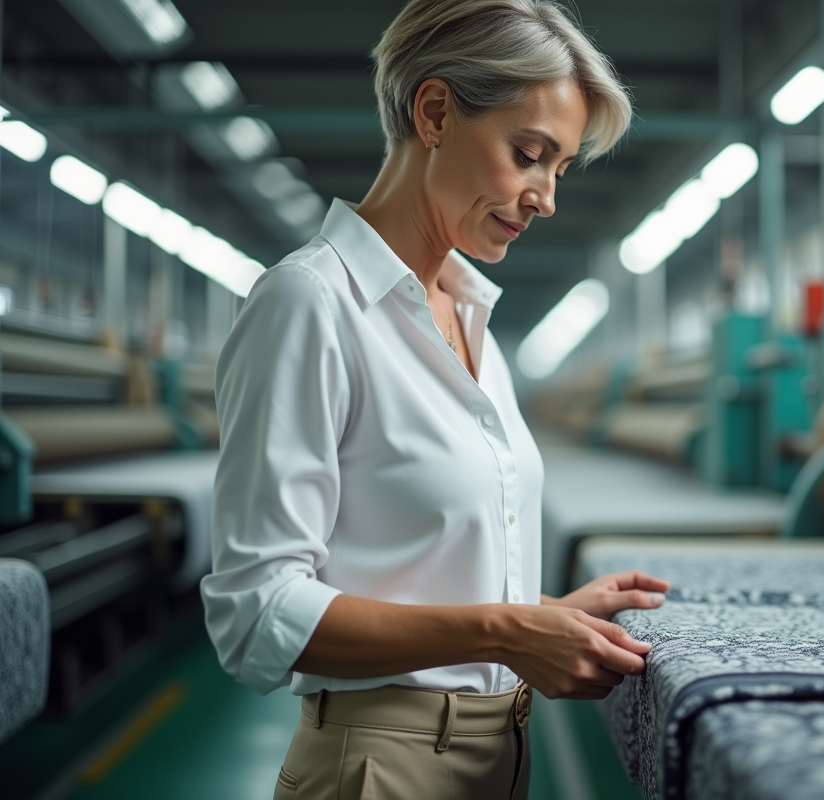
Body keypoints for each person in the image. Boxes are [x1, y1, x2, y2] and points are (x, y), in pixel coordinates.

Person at [199, 2, 670, 798]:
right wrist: (507, 629)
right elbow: (256, 613)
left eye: (559, 169)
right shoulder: (311, 303)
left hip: (497, 754)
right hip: (383, 766)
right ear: (436, 113)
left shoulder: (471, 314)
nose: (547, 197)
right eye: (529, 155)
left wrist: (545, 613)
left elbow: (407, 565)